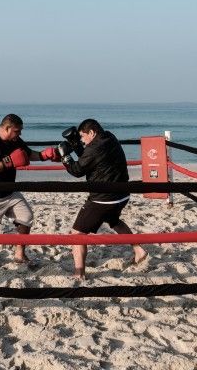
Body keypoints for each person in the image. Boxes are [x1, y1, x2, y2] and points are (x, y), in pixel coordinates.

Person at [0, 113, 59, 270]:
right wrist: (9, 161)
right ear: (7, 128)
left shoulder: (15, 140)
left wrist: (44, 155)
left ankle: (19, 254)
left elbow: (27, 154)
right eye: (17, 131)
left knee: (26, 217)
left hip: (10, 191)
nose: (19, 134)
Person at [58, 118, 147, 279]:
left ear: (92, 132)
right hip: (122, 194)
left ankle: (79, 273)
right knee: (114, 221)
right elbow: (92, 158)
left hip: (103, 199)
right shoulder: (109, 137)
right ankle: (138, 250)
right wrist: (77, 146)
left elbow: (78, 171)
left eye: (83, 137)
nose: (83, 141)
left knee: (77, 233)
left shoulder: (94, 148)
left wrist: (65, 157)